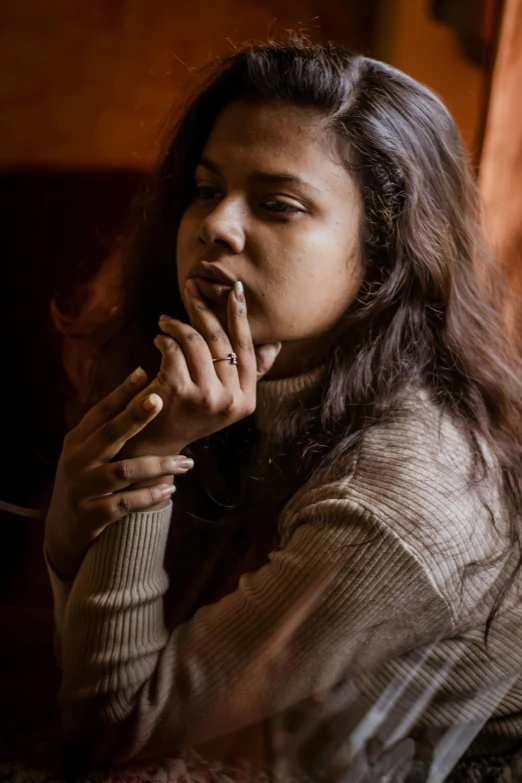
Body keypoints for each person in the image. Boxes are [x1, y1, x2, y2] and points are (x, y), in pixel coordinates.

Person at [44, 40, 522, 782]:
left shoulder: (393, 500)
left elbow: (114, 726)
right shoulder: (252, 389)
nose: (217, 227)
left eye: (277, 205)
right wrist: (71, 537)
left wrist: (143, 462)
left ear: (385, 252)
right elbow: (113, 681)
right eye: (206, 189)